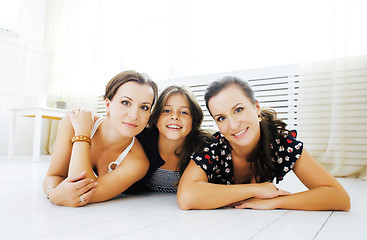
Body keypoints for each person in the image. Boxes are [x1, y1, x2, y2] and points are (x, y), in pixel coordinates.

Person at [177, 76, 351, 211]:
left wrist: (276, 202)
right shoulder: (212, 149)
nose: (233, 125)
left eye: (238, 110)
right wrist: (256, 190)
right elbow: (186, 197)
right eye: (221, 118)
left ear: (256, 108)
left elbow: (339, 197)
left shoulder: (279, 143)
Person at [43, 70, 158, 207]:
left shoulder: (138, 163)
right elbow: (54, 175)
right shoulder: (73, 121)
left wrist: (82, 134)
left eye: (144, 107)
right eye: (126, 102)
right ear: (108, 105)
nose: (134, 115)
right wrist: (52, 193)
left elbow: (82, 192)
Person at [127, 85, 212, 193]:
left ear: (193, 121)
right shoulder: (140, 138)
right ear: (156, 118)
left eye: (184, 112)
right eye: (167, 111)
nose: (175, 117)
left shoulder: (204, 147)